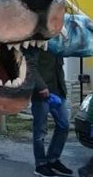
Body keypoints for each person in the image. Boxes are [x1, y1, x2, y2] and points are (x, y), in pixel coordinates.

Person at [29, 48, 74, 177]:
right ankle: (41, 164)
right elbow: (30, 66)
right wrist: (41, 86)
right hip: (41, 92)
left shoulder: (59, 42)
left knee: (64, 125)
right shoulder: (37, 41)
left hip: (59, 91)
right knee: (40, 130)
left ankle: (53, 159)